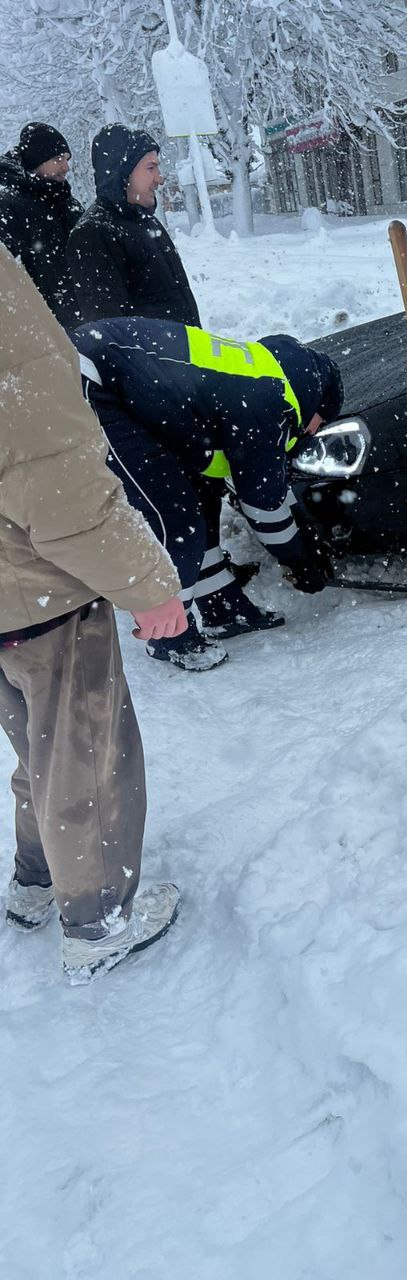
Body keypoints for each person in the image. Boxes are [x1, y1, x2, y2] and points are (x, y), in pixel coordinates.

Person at [0, 242, 187, 983]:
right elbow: (62, 492)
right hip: (40, 595)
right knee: (87, 757)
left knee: (41, 747)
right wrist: (150, 586)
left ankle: (37, 878)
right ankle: (98, 918)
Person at [71, 316, 343, 670]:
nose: (312, 432)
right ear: (317, 404)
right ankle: (169, 637)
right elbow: (262, 505)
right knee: (174, 517)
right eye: (321, 423)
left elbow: (253, 482)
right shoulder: (271, 403)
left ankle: (223, 607)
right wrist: (301, 560)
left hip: (109, 371)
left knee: (199, 498)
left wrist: (298, 525)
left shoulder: (262, 374)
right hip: (90, 384)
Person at [69, 123, 200, 326]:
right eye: (150, 168)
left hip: (183, 345)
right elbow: (111, 331)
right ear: (121, 172)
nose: (160, 178)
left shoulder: (145, 220)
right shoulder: (94, 233)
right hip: (159, 348)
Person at [0, 122, 82, 325]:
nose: (65, 167)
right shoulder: (9, 206)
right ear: (36, 160)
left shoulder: (64, 200)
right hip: (48, 324)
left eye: (67, 159)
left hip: (82, 317)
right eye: (58, 159)